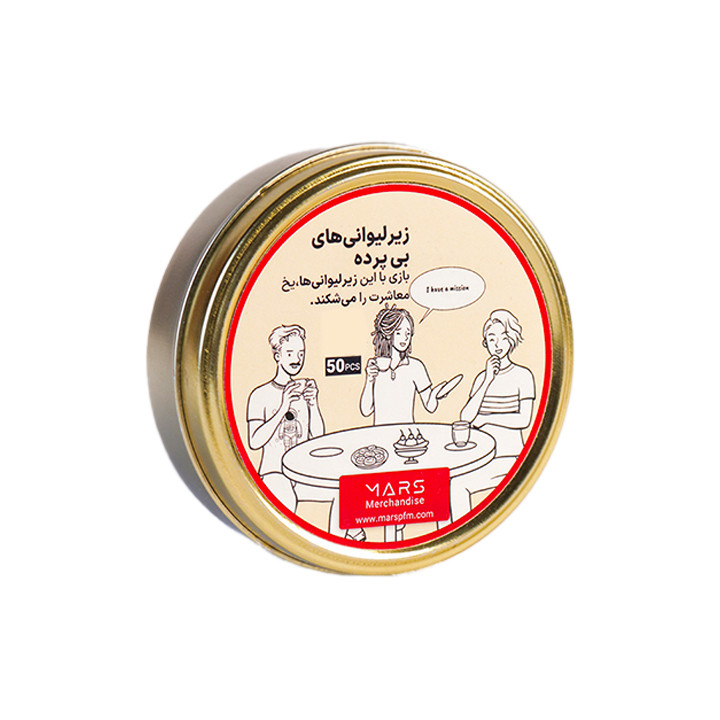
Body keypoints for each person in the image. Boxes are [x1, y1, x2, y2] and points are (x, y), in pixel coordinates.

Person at [450, 309, 536, 520]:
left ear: (512, 339)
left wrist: (487, 419)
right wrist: (488, 379)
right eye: (491, 338)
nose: (497, 344)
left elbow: (524, 419)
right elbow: (465, 417)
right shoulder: (482, 378)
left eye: (503, 337)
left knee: (458, 485)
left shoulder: (523, 376)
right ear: (485, 343)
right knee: (453, 484)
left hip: (510, 458)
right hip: (482, 458)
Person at [246, 325, 324, 512]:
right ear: (277, 356)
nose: (296, 359)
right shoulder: (260, 395)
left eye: (301, 354)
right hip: (274, 473)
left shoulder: (303, 391)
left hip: (303, 472)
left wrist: (313, 403)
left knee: (344, 492)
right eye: (290, 353)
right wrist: (283, 407)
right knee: (286, 496)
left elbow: (319, 438)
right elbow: (254, 441)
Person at [359, 305, 452, 425]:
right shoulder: (376, 365)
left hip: (407, 434)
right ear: (388, 334)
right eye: (399, 333)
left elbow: (430, 407)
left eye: (408, 333)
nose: (405, 338)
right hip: (380, 433)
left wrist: (435, 394)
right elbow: (366, 410)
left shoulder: (416, 367)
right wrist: (369, 379)